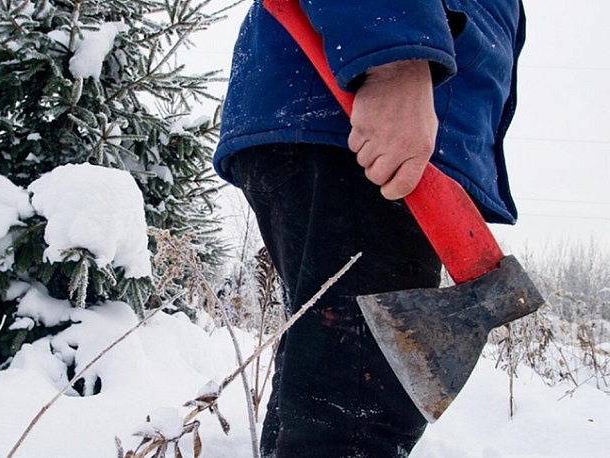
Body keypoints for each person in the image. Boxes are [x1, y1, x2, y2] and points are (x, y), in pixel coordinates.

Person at [213, 1, 526, 457]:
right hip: (356, 121)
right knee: (352, 422)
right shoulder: (391, 65)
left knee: (328, 401)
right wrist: (394, 58)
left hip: (330, 118)